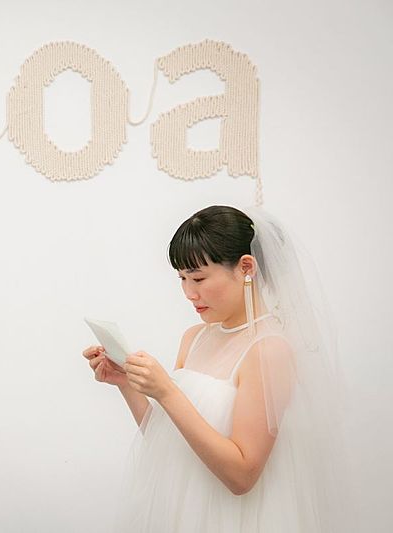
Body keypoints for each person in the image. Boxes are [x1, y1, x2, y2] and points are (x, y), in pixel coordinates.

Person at [83, 205, 350, 532]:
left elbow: (242, 476)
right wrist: (126, 383)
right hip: (184, 509)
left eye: (198, 278)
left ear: (246, 267)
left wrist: (166, 391)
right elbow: (167, 439)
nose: (188, 293)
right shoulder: (194, 338)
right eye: (182, 278)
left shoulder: (268, 350)